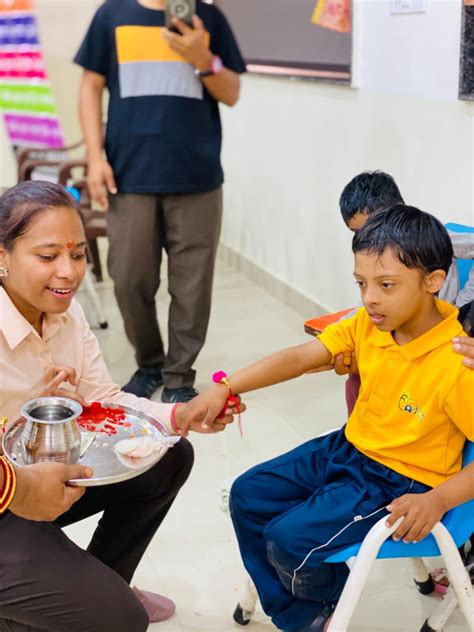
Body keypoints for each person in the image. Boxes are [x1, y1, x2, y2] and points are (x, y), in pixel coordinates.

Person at [176, 205, 474, 631]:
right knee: (247, 494)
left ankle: (316, 602)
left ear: (433, 282)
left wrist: (438, 500)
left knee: (288, 539)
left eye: (386, 285)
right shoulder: (370, 324)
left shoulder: (457, 361)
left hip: (399, 479)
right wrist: (228, 386)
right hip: (348, 448)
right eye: (361, 283)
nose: (369, 297)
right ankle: (305, 611)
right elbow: (300, 357)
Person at [0, 180, 242, 631]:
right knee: (123, 620)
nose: (69, 272)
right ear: (2, 256)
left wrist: (180, 415)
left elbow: (103, 398)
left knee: (167, 456)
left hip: (37, 477)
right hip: (5, 497)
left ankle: (101, 582)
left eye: (77, 254)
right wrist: (25, 430)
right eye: (48, 256)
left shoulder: (64, 312)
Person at [74, 0, 246, 403]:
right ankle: (149, 363)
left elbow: (232, 92)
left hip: (197, 176)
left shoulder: (209, 18)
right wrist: (95, 157)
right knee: (129, 278)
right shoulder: (111, 15)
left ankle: (179, 375)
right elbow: (89, 86)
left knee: (191, 286)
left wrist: (203, 57)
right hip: (129, 175)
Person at [336, 170, 474, 413]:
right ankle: (362, 430)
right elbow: (371, 303)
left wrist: (462, 303)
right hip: (398, 330)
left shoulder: (430, 239)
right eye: (357, 234)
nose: (368, 238)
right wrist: (342, 328)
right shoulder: (372, 255)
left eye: (372, 227)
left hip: (433, 335)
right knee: (359, 377)